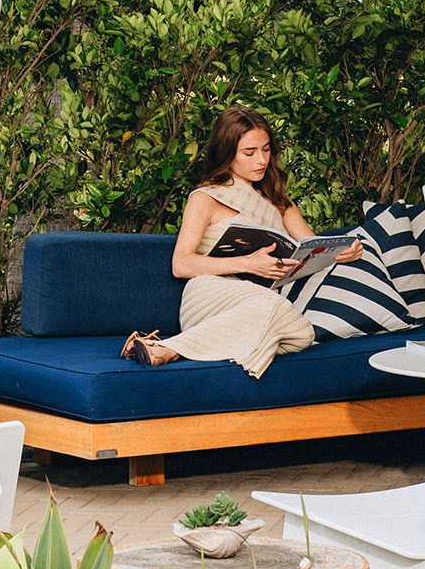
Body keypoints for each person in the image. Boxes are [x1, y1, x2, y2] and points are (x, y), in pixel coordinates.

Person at [121, 106, 363, 376]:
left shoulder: (279, 202)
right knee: (275, 309)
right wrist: (248, 263)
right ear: (227, 153)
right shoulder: (205, 198)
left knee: (301, 333)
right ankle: (167, 349)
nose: (261, 160)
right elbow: (181, 263)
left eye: (266, 149)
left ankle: (163, 348)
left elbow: (312, 244)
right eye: (249, 153)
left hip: (259, 300)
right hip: (210, 294)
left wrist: (342, 251)